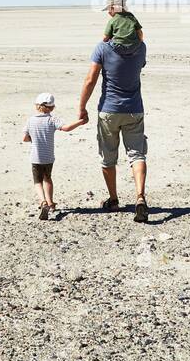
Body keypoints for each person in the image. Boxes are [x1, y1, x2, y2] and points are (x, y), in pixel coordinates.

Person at [76, 30, 149, 222]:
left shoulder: (102, 49)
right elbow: (140, 40)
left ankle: (114, 199)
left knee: (108, 157)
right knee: (137, 154)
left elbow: (90, 79)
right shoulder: (141, 48)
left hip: (109, 110)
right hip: (134, 110)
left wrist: (82, 107)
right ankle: (140, 197)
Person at [22, 92, 84, 220]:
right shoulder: (52, 119)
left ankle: (43, 202)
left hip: (35, 157)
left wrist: (33, 138)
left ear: (37, 106)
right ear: (52, 107)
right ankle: (50, 203)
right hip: (48, 157)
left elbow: (25, 138)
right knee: (47, 178)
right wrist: (80, 122)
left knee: (37, 182)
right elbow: (66, 128)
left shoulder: (30, 120)